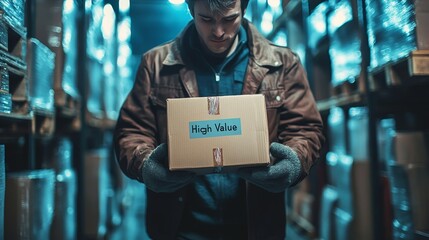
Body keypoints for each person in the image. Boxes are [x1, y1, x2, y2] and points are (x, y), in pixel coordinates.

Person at [113, 0, 324, 239]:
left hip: (254, 227)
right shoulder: (156, 64)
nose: (218, 32)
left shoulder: (282, 64)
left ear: (243, 10)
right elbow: (131, 132)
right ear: (191, 11)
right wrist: (145, 165)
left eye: (228, 19)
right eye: (206, 19)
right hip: (181, 228)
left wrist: (294, 162)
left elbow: (305, 129)